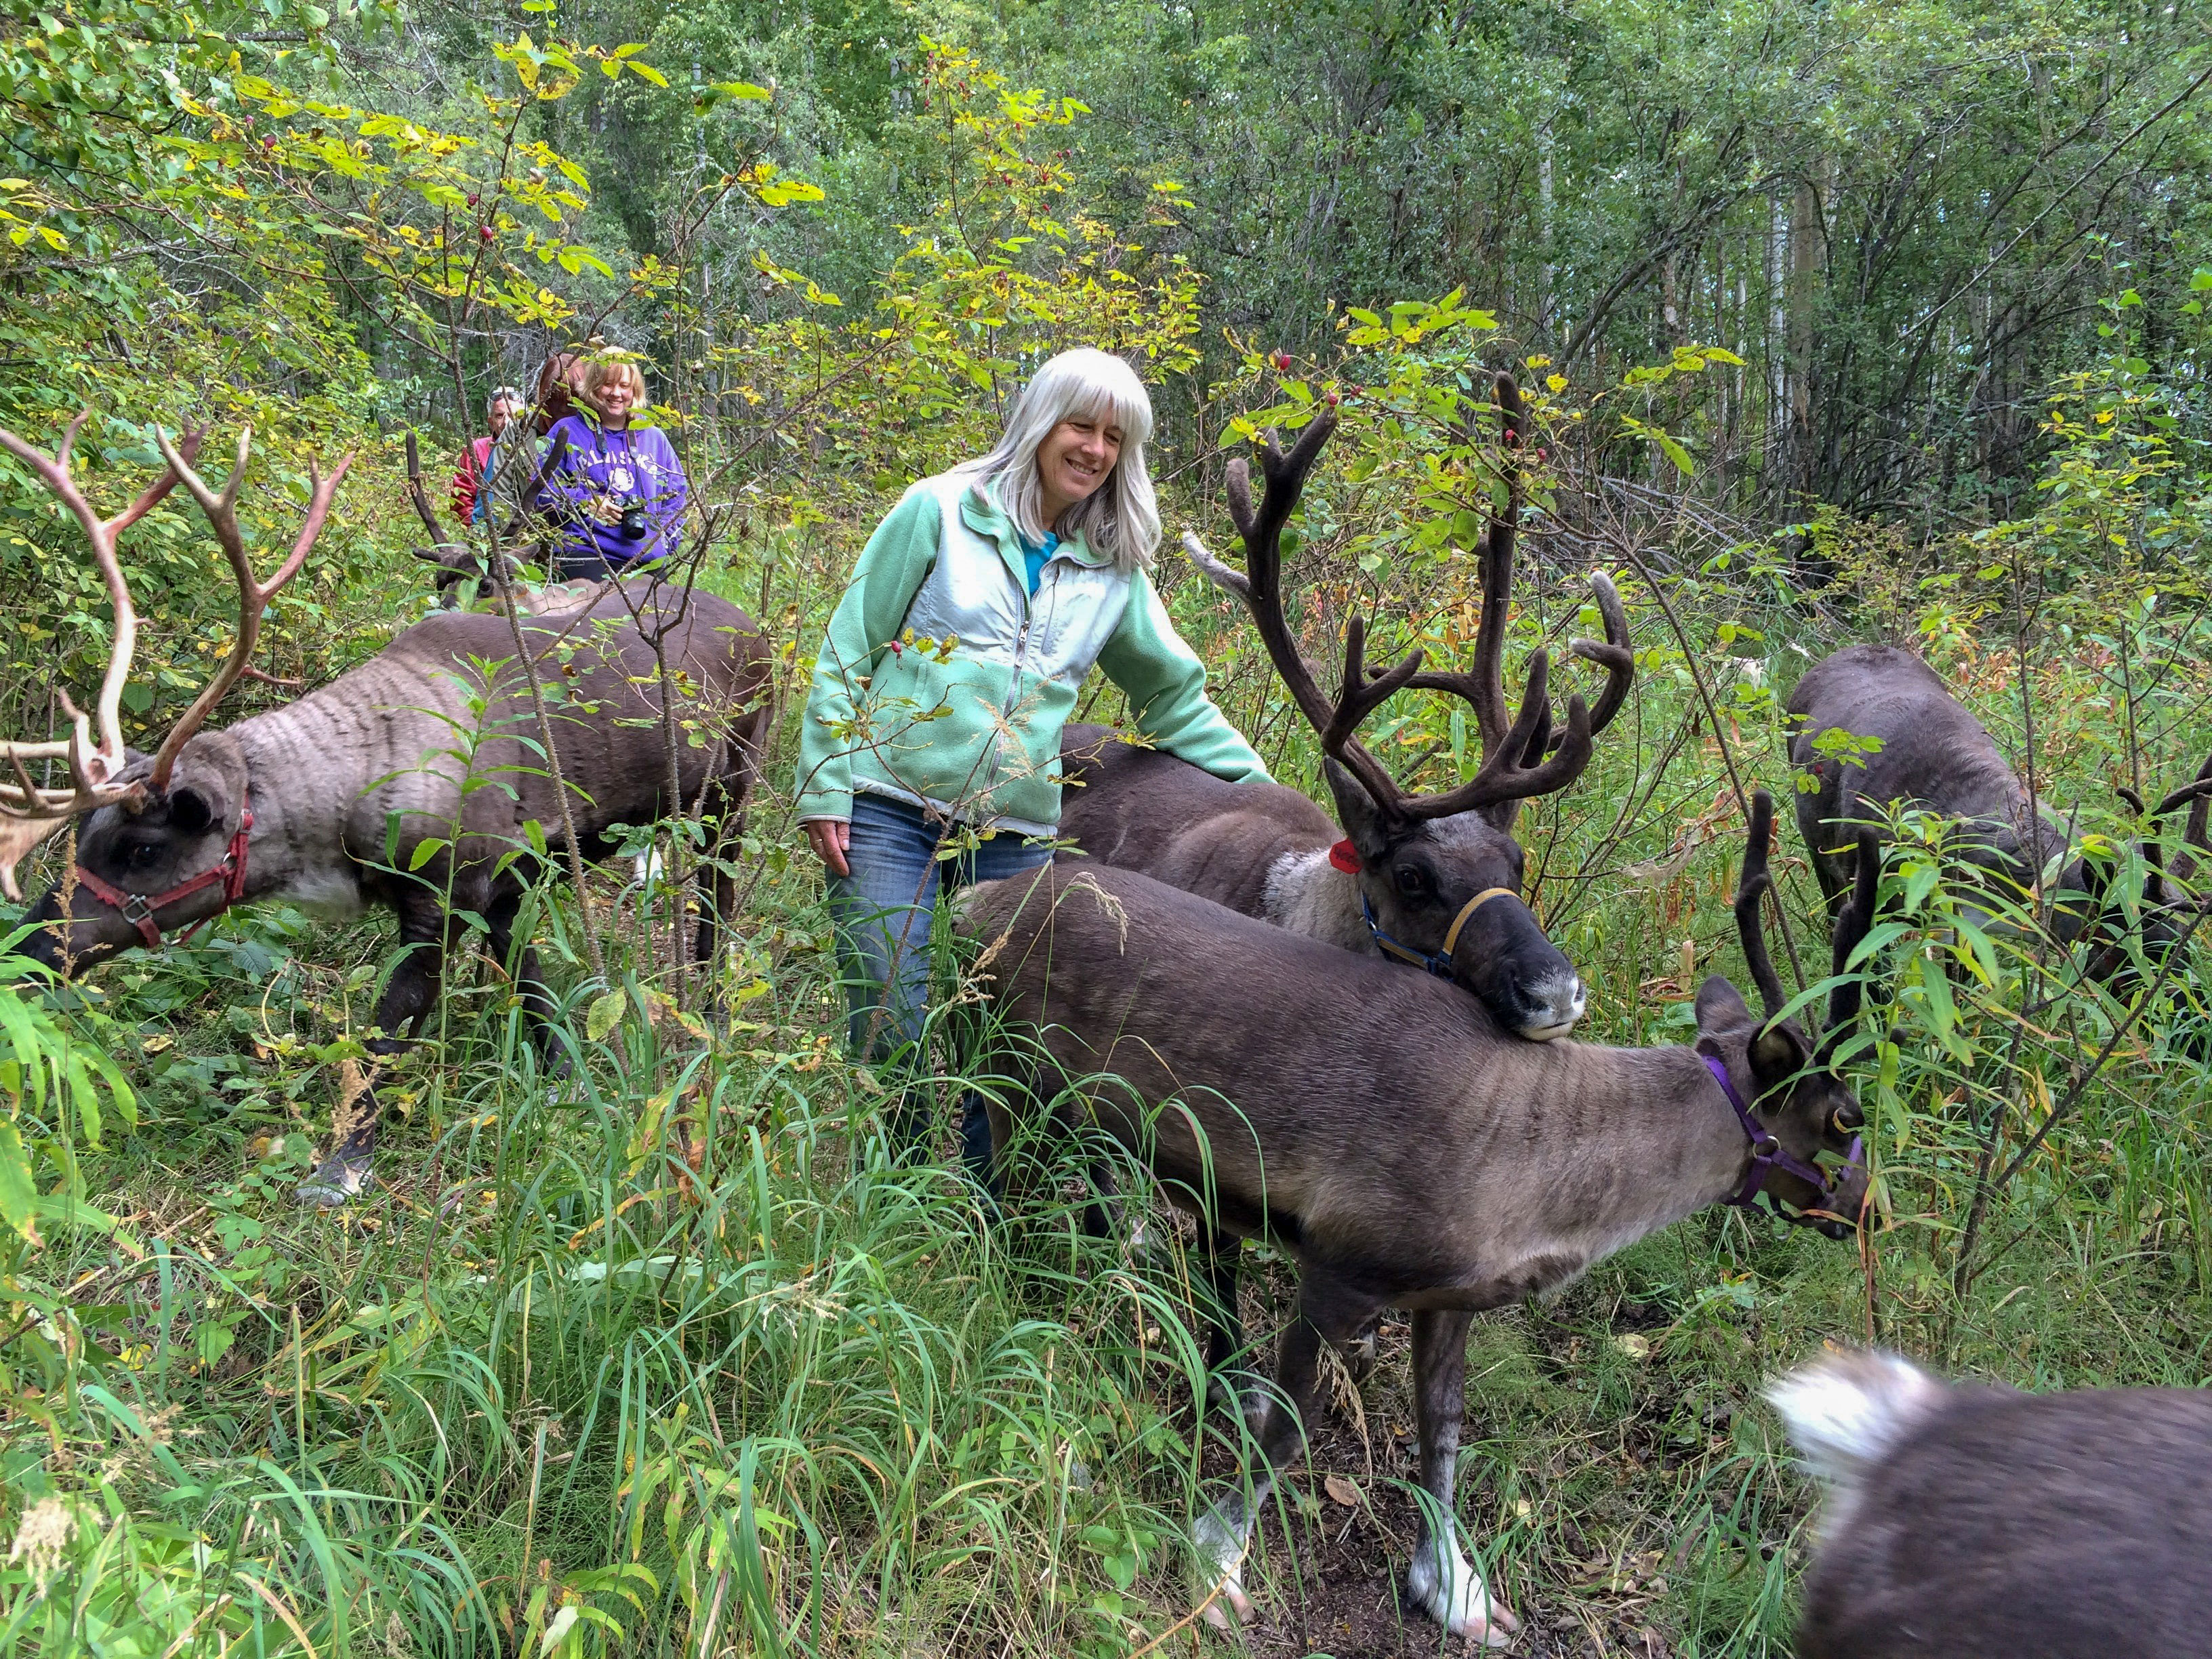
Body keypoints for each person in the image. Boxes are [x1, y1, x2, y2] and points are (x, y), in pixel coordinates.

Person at [795, 346, 1271, 1179]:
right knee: (891, 1019)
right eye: (1080, 425)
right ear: (1040, 422)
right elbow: (849, 648)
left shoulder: (1111, 569)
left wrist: (1264, 790)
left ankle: (986, 1212)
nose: (1094, 449)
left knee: (1005, 1039)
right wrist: (824, 781)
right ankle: (897, 1201)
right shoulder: (939, 511)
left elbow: (1173, 699)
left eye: (1114, 437)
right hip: (884, 806)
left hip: (1012, 832)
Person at [536, 359, 689, 580]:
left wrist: (664, 539)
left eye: (624, 386)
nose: (616, 393)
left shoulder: (653, 437)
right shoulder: (567, 431)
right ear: (592, 387)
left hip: (646, 556)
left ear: (634, 390)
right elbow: (541, 490)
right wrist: (586, 502)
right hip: (587, 554)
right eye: (607, 384)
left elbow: (678, 495)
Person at [449, 388, 523, 525]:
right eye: (500, 416)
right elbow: (462, 499)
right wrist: (476, 533)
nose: (507, 422)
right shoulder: (475, 450)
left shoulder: (531, 450)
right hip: (486, 530)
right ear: (491, 421)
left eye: (514, 416)